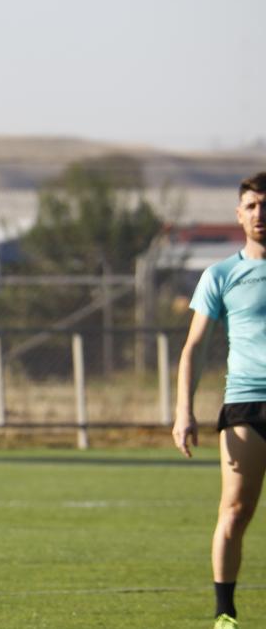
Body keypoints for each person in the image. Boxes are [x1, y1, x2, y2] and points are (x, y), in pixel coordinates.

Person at [173, 172, 266, 629]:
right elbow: (193, 348)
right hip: (247, 405)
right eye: (251, 206)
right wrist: (182, 412)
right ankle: (224, 614)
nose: (260, 214)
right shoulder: (222, 274)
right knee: (234, 510)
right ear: (238, 213)